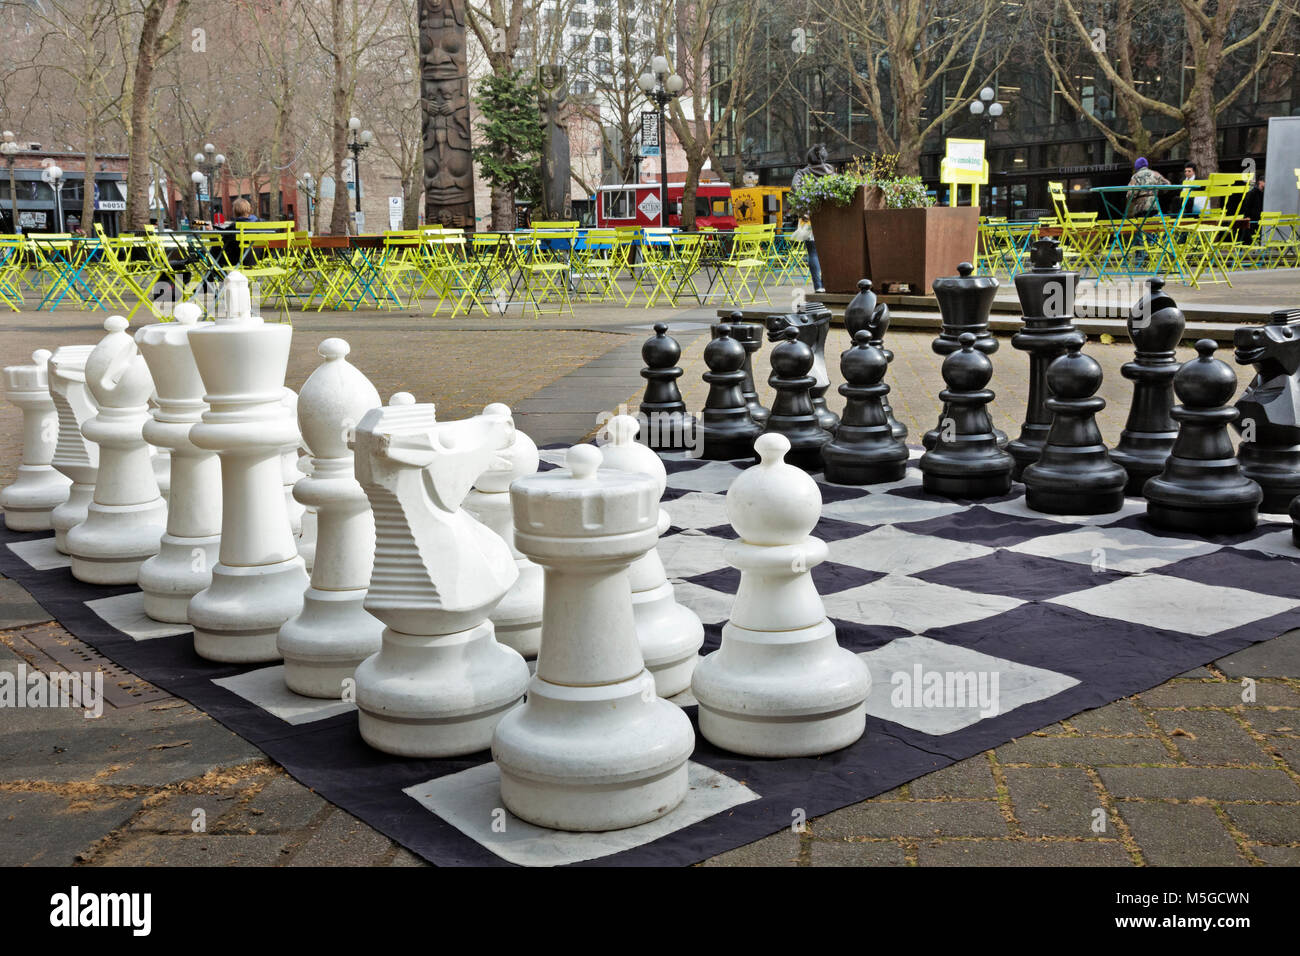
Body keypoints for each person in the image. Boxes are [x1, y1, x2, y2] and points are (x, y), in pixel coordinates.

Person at [790, 144, 834, 293]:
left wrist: (806, 204)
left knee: (813, 252)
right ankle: (827, 283)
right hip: (829, 220)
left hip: (808, 218)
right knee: (828, 252)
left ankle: (818, 287)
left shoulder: (802, 173)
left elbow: (795, 189)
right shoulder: (831, 172)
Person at [1237, 175, 1266, 244]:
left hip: (1259, 217)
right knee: (1248, 235)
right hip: (1251, 217)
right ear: (1260, 182)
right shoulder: (1252, 193)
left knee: (1258, 235)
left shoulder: (1263, 193)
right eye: (1265, 182)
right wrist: (1247, 216)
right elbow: (1247, 205)